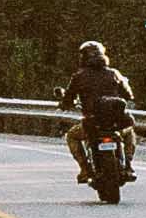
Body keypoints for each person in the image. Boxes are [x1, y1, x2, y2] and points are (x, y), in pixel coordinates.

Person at [59, 39, 138, 181]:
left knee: (71, 136)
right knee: (129, 131)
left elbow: (68, 99)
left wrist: (64, 104)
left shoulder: (79, 76)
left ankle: (85, 169)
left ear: (83, 58)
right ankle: (128, 165)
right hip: (115, 122)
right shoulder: (114, 73)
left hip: (92, 122)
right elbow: (128, 95)